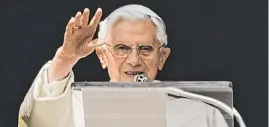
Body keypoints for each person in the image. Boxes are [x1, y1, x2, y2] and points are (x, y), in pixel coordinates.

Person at [18, 4, 229, 127]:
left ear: (162, 57)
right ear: (102, 55)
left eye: (145, 49)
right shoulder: (72, 108)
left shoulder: (201, 115)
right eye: (122, 48)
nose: (134, 60)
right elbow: (37, 122)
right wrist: (64, 60)